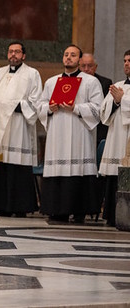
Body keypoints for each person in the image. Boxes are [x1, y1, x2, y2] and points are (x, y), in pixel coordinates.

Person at [36, 44, 103, 223]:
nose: (68, 57)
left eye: (73, 55)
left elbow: (99, 109)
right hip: (57, 133)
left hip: (79, 133)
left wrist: (76, 108)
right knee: (58, 168)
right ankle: (56, 210)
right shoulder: (51, 82)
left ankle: (79, 210)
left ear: (79, 60)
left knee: (77, 168)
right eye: (66, 54)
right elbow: (40, 106)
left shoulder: (90, 82)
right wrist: (49, 108)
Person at [0, 41, 42, 217]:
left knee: (17, 166)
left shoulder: (32, 74)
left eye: (17, 52)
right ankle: (1, 206)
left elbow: (36, 101)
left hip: (18, 127)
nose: (13, 54)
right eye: (10, 51)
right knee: (1, 165)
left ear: (24, 55)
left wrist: (13, 105)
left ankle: (20, 207)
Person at [98, 49, 130, 227]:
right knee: (114, 176)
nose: (126, 64)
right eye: (125, 60)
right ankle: (112, 215)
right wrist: (117, 101)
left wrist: (123, 99)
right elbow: (103, 113)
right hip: (116, 137)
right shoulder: (117, 85)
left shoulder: (119, 90)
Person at [80, 53, 112, 143]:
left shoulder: (105, 83)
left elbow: (104, 110)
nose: (86, 69)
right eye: (83, 66)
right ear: (79, 67)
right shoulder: (73, 82)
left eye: (90, 66)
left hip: (98, 129)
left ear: (95, 67)